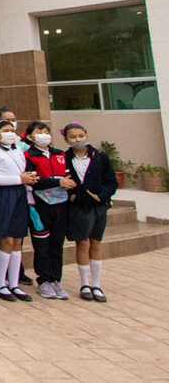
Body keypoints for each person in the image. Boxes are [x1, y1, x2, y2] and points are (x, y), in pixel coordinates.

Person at [62, 122, 117, 303]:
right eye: (73, 137)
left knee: (96, 243)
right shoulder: (64, 158)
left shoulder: (100, 157)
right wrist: (72, 196)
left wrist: (101, 197)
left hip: (98, 206)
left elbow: (111, 182)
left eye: (80, 136)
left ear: (86, 135)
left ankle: (97, 284)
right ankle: (84, 283)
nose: (78, 140)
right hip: (78, 208)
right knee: (82, 243)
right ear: (66, 139)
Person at [0, 119, 36, 302]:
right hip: (2, 196)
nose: (10, 133)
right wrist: (19, 179)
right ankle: (0, 284)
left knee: (17, 240)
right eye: (5, 130)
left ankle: (14, 283)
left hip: (20, 194)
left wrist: (27, 178)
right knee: (5, 240)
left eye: (12, 130)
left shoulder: (18, 150)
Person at [20, 121, 71, 300]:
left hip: (60, 205)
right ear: (30, 137)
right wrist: (57, 182)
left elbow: (67, 176)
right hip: (40, 206)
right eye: (39, 131)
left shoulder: (60, 155)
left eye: (46, 131)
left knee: (57, 243)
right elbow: (33, 181)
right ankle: (44, 279)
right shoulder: (28, 156)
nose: (44, 134)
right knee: (41, 243)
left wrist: (65, 184)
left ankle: (55, 278)